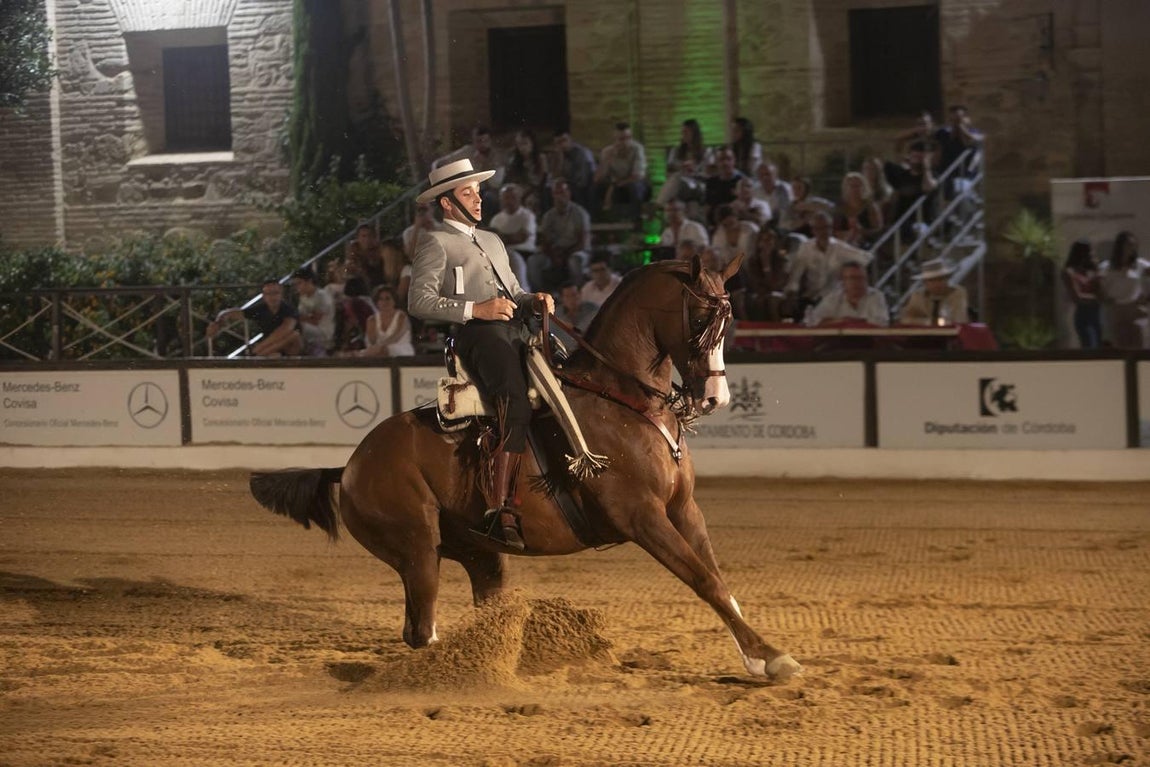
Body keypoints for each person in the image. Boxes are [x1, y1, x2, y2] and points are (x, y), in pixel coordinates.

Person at [408, 158, 555, 551]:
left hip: (512, 327)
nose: (478, 201)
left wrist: (533, 298)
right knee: (514, 401)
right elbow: (419, 302)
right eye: (468, 193)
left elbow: (513, 291)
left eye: (477, 192)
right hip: (475, 335)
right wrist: (476, 309)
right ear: (446, 203)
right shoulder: (435, 242)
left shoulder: (492, 240)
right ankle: (500, 507)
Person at [785, 211, 871, 320]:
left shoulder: (840, 248)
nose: (823, 232)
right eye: (819, 228)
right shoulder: (805, 248)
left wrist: (848, 273)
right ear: (813, 230)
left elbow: (867, 258)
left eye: (826, 228)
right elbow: (796, 275)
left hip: (834, 296)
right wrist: (792, 292)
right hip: (810, 296)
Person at [206, 279, 303, 357]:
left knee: (293, 335)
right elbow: (232, 313)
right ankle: (258, 354)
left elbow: (286, 329)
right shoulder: (260, 309)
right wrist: (217, 322)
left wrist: (260, 347)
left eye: (275, 293)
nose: (272, 297)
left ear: (281, 294)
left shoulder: (288, 309)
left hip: (292, 348)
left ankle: (256, 354)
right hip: (272, 349)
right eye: (268, 294)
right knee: (274, 355)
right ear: (264, 296)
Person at [532, 177, 591, 293]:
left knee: (574, 261)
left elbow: (582, 241)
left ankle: (578, 293)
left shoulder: (580, 213)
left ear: (569, 193)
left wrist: (566, 255)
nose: (559, 196)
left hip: (577, 250)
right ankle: (537, 295)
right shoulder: (548, 216)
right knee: (534, 261)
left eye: (562, 192)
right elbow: (545, 240)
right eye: (556, 193)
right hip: (555, 252)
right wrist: (554, 255)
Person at [1099, 230, 1149, 349]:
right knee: (1120, 345)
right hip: (1116, 310)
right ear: (1120, 246)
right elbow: (1098, 286)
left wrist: (1147, 298)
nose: (1132, 248)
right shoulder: (1107, 267)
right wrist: (1104, 299)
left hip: (1135, 308)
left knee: (1138, 344)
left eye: (1134, 245)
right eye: (1128, 245)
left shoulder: (1140, 264)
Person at [593, 121, 649, 225]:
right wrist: (606, 161)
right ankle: (601, 221)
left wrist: (615, 185)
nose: (626, 142)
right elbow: (598, 178)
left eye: (628, 138)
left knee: (635, 187)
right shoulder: (607, 151)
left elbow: (638, 176)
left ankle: (636, 222)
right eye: (621, 139)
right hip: (616, 183)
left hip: (635, 182)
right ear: (615, 140)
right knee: (596, 187)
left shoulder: (637, 149)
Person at [807, 261, 890, 327]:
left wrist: (842, 322)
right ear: (842, 281)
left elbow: (881, 323)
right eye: (852, 278)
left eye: (861, 278)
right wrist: (843, 321)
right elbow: (814, 322)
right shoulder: (833, 297)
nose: (857, 282)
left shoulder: (876, 296)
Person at [489, 183, 536, 291]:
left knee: (512, 257)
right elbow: (493, 240)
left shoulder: (527, 216)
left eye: (513, 197)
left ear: (519, 198)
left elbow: (521, 237)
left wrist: (502, 236)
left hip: (524, 253)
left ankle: (524, 293)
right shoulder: (496, 219)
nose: (509, 201)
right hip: (502, 252)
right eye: (506, 198)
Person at [656, 118, 710, 208]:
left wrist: (694, 172)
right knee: (676, 177)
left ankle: (658, 205)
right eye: (682, 132)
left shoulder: (706, 152)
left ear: (694, 134)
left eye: (686, 132)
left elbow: (709, 175)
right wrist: (681, 169)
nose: (683, 135)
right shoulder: (676, 151)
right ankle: (665, 207)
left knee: (676, 179)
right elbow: (668, 173)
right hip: (680, 183)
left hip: (697, 185)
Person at [899, 258, 969, 327]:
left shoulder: (957, 293)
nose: (937, 284)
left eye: (941, 279)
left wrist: (924, 321)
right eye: (932, 280)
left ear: (947, 279)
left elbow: (958, 320)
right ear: (925, 282)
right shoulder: (918, 295)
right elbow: (907, 320)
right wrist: (928, 322)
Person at [349, 285, 414, 358]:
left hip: (400, 349)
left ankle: (361, 354)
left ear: (394, 301)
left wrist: (380, 347)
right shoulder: (372, 320)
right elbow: (372, 342)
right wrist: (377, 348)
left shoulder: (401, 317)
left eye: (388, 298)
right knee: (378, 352)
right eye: (381, 299)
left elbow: (395, 338)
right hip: (377, 351)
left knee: (383, 350)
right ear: (377, 302)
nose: (384, 302)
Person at [1060, 239, 1102, 349]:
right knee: (1087, 341)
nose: (1092, 254)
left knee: (1098, 341)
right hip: (1082, 310)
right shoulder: (1069, 272)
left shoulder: (1092, 271)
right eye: (1089, 252)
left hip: (1095, 310)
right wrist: (1093, 298)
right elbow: (1075, 296)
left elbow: (1100, 292)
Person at [744, 226, 791, 322]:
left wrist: (767, 266)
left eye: (770, 240)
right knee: (758, 301)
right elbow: (754, 283)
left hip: (780, 292)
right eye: (764, 240)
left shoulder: (782, 260)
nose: (767, 243)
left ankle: (776, 331)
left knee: (772, 300)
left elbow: (777, 284)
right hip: (760, 293)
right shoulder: (753, 261)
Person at [290, 266, 335, 356]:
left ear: (309, 281)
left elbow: (315, 320)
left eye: (299, 283)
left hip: (323, 333)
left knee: (294, 326)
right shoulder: (303, 297)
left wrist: (300, 318)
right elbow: (301, 316)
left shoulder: (322, 296)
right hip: (309, 330)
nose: (297, 287)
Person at [504, 128, 550, 214]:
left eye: (525, 143)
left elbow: (541, 180)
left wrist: (528, 190)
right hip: (521, 188)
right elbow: (513, 178)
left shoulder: (540, 158)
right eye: (519, 144)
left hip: (537, 190)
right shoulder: (515, 160)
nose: (522, 148)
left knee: (531, 200)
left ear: (532, 143)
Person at [833, 171, 884, 249]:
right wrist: (847, 235)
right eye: (851, 186)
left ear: (864, 187)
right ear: (846, 187)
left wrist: (862, 231)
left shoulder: (870, 206)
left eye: (858, 186)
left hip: (866, 243)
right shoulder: (840, 206)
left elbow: (878, 230)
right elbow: (835, 229)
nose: (855, 189)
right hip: (844, 243)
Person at [553, 129, 597, 211]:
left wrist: (566, 183)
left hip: (585, 182)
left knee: (575, 190)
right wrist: (560, 160)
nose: (562, 145)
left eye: (564, 140)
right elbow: (555, 177)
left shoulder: (581, 153)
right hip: (569, 183)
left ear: (570, 139)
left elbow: (581, 179)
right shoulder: (559, 155)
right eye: (558, 143)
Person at [702, 145, 744, 227]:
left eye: (728, 159)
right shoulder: (711, 182)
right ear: (716, 162)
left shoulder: (742, 181)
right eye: (721, 159)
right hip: (715, 226)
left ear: (734, 161)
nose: (725, 163)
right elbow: (707, 207)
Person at [552, 281, 599, 351]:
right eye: (567, 296)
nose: (572, 299)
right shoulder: (554, 315)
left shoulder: (593, 310)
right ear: (562, 299)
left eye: (574, 295)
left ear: (580, 294)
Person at [711, 204, 759, 270]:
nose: (728, 223)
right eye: (725, 224)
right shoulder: (718, 235)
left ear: (736, 216)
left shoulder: (751, 229)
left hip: (753, 267)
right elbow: (719, 257)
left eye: (731, 222)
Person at [344, 224, 386, 289]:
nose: (367, 239)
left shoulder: (380, 253)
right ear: (358, 238)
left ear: (374, 237)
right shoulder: (353, 254)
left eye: (369, 236)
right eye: (363, 236)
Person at [754, 162, 793, 228]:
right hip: (762, 227)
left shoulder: (785, 189)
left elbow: (789, 210)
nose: (765, 178)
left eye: (767, 174)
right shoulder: (755, 191)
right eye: (761, 175)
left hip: (783, 226)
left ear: (775, 175)